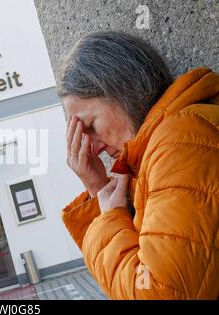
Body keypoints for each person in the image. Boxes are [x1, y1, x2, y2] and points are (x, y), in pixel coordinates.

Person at [59, 31, 219, 299]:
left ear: (123, 91)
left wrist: (109, 219)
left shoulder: (181, 142)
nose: (93, 148)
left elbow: (156, 291)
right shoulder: (166, 146)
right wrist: (97, 188)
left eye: (90, 126)